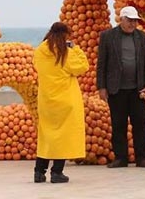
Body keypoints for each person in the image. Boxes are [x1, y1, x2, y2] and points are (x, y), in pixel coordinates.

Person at [97, 5, 145, 168]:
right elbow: (101, 63)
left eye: (135, 21)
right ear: (121, 19)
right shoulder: (107, 36)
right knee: (118, 124)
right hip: (116, 88)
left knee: (141, 124)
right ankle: (120, 157)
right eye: (129, 20)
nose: (132, 24)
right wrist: (101, 87)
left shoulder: (142, 37)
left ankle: (141, 158)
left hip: (138, 89)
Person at [33, 21, 89, 183]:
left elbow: (37, 67)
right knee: (63, 138)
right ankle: (57, 172)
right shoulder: (66, 53)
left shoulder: (39, 52)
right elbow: (83, 66)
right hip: (66, 101)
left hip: (46, 101)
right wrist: (75, 48)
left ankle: (39, 171)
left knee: (46, 137)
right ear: (65, 35)